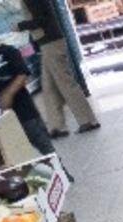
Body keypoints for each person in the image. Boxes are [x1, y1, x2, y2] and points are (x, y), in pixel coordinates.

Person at [0, 13, 55, 158]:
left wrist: (8, 94)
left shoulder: (9, 51)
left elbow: (23, 74)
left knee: (45, 147)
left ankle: (62, 175)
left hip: (26, 112)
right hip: (6, 116)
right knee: (19, 152)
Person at [18, 0, 101, 138]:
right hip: (47, 43)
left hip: (51, 43)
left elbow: (41, 19)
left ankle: (88, 120)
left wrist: (20, 25)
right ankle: (57, 127)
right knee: (49, 86)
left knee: (65, 83)